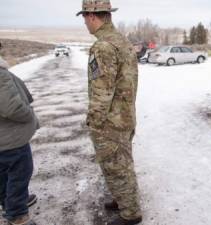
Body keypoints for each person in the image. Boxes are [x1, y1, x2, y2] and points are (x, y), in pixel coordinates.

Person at [76, 1, 142, 224]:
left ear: (92, 16)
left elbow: (102, 91)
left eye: (85, 17)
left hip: (110, 122)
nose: (85, 22)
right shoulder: (121, 41)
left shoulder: (103, 46)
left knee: (117, 167)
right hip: (125, 116)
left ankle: (131, 213)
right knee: (121, 163)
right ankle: (121, 199)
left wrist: (94, 122)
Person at [0, 44, 39, 225]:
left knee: (4, 175)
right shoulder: (0, 75)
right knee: (19, 175)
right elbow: (13, 108)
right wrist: (29, 114)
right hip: (11, 140)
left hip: (3, 141)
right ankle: (18, 216)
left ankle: (9, 205)